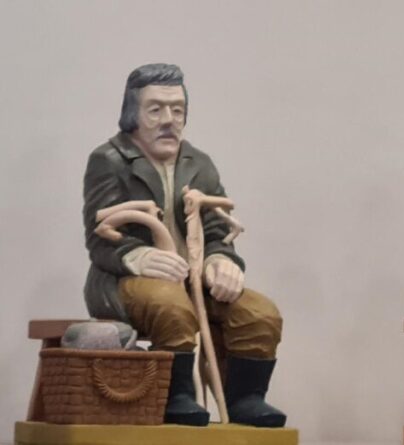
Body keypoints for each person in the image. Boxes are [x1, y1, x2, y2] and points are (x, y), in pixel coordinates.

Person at [82, 63, 286, 427]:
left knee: (259, 312)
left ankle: (246, 399)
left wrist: (220, 261)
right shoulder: (109, 161)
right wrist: (140, 257)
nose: (168, 120)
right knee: (171, 306)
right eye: (155, 109)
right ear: (132, 113)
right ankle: (176, 394)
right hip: (123, 281)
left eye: (177, 110)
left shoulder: (199, 163)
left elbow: (217, 229)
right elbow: (98, 238)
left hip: (194, 279)